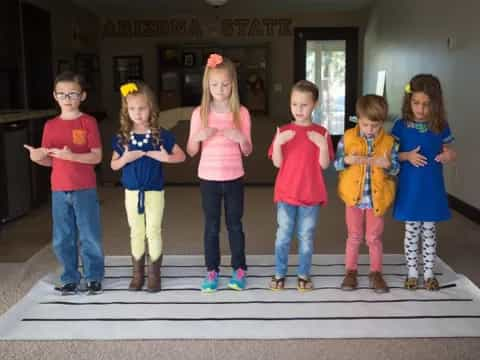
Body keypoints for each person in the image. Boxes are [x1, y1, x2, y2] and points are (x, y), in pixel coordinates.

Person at [24, 71, 104, 295]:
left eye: (72, 94)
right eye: (62, 94)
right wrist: (37, 157)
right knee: (62, 238)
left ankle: (94, 276)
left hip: (84, 187)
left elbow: (96, 157)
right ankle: (70, 277)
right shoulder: (50, 125)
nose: (67, 99)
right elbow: (51, 160)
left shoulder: (88, 122)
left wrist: (73, 157)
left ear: (83, 96)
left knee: (89, 235)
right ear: (55, 96)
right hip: (58, 188)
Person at [111, 81, 185, 292]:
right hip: (132, 193)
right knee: (136, 231)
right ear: (126, 111)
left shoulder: (159, 134)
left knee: (153, 230)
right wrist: (125, 158)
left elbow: (180, 156)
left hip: (154, 192)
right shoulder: (123, 137)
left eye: (142, 108)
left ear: (150, 108)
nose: (137, 113)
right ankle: (137, 273)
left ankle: (154, 274)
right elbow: (113, 164)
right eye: (132, 109)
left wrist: (165, 157)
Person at [187, 54, 252, 292]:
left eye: (225, 84)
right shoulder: (199, 113)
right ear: (207, 85)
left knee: (235, 224)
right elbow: (191, 150)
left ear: (233, 84)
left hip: (234, 178)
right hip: (208, 179)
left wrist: (241, 138)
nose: (220, 89)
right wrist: (198, 137)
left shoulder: (241, 113)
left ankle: (239, 268)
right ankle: (212, 270)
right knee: (211, 226)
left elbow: (248, 150)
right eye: (214, 85)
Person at [391, 74, 456, 291]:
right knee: (411, 231)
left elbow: (449, 151)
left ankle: (428, 273)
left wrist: (448, 156)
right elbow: (391, 155)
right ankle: (412, 272)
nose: (420, 109)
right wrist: (406, 156)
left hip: (431, 188)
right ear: (409, 101)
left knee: (429, 231)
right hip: (410, 189)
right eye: (416, 103)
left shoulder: (440, 126)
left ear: (435, 104)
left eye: (426, 104)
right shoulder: (401, 126)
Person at [268, 80, 334, 291]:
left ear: (314, 104)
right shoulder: (283, 131)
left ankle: (303, 274)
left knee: (306, 236)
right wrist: (278, 143)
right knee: (283, 235)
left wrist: (323, 146)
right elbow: (277, 163)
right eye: (294, 104)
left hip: (311, 195)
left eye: (304, 105)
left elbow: (324, 165)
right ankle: (279, 272)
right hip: (286, 194)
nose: (298, 109)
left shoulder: (321, 132)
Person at [335, 95, 399, 293]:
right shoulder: (347, 137)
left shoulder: (390, 142)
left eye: (375, 125)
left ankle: (376, 273)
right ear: (358, 119)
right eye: (365, 124)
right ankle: (351, 272)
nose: (370, 129)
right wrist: (347, 160)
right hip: (353, 198)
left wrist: (388, 164)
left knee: (373, 238)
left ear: (382, 122)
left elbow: (396, 169)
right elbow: (336, 164)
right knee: (354, 236)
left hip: (376, 199)